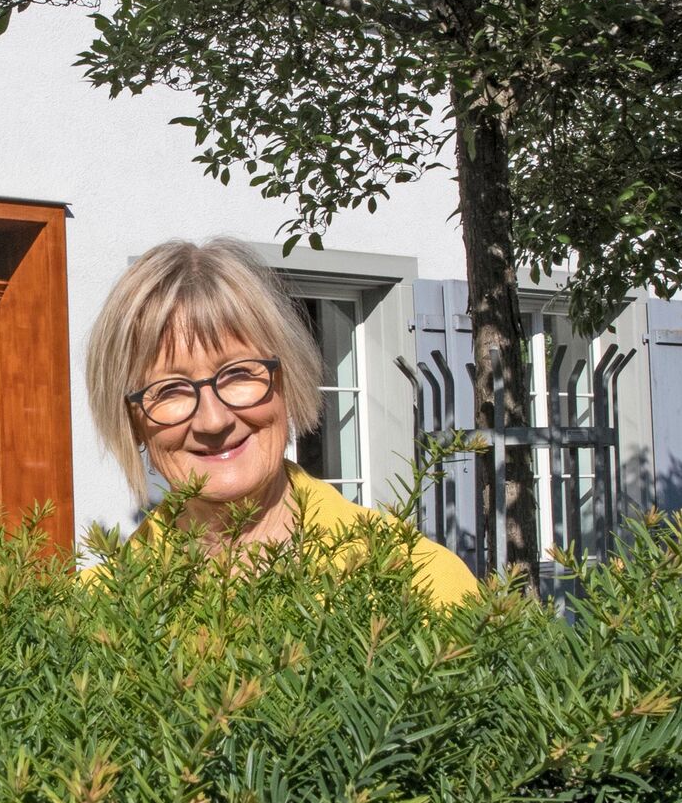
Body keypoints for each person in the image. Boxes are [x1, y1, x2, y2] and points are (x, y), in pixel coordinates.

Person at [83, 238, 479, 607]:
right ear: (131, 420)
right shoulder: (93, 609)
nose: (213, 420)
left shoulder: (423, 583)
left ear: (288, 380)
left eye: (238, 374)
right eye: (170, 390)